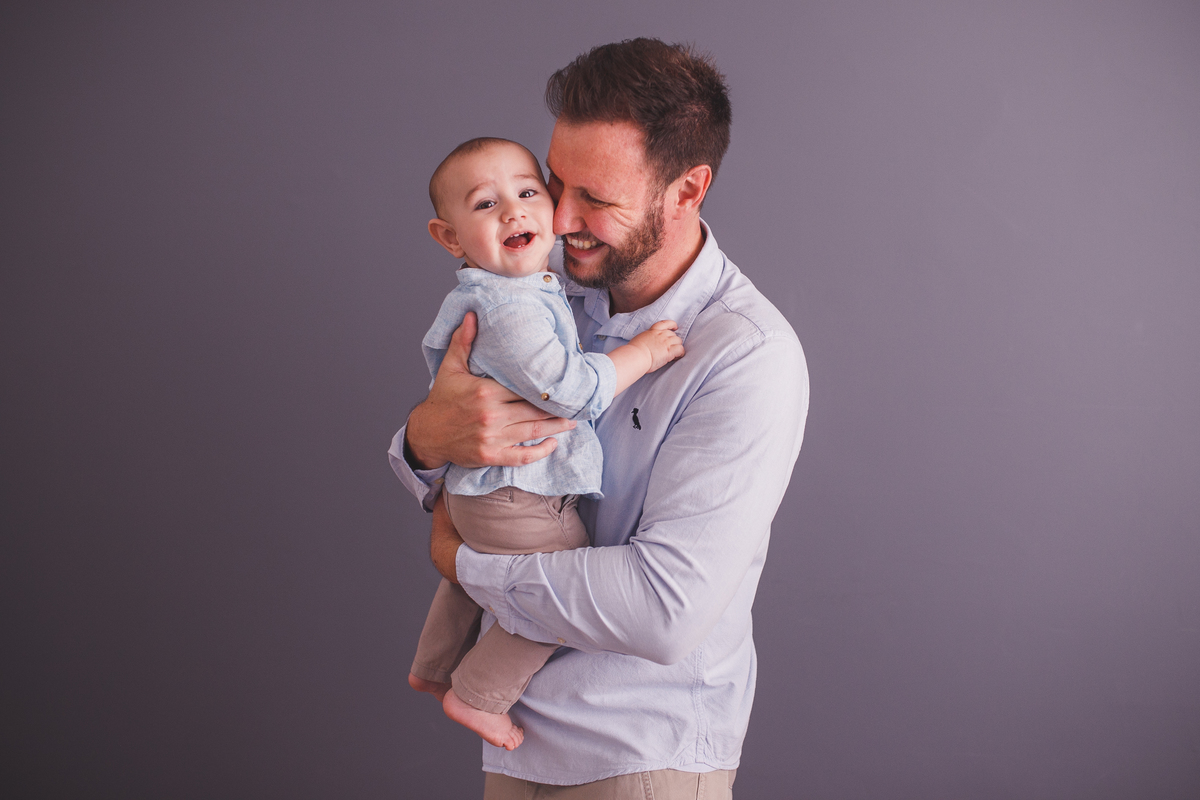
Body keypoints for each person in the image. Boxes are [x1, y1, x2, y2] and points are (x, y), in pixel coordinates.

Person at [389, 38, 809, 798]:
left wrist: (463, 564)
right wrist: (426, 437)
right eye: (556, 182)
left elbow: (660, 609)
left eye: (599, 198)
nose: (560, 216)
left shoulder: (747, 356)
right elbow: (441, 443)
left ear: (686, 190)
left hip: (635, 755)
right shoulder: (539, 291)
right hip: (518, 739)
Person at [408, 136, 684, 751]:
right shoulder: (510, 307)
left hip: (480, 494)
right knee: (559, 592)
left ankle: (431, 666)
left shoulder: (528, 289)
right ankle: (475, 694)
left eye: (529, 192)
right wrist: (641, 354)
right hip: (519, 495)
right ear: (450, 238)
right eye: (485, 204)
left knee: (468, 578)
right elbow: (571, 392)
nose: (515, 212)